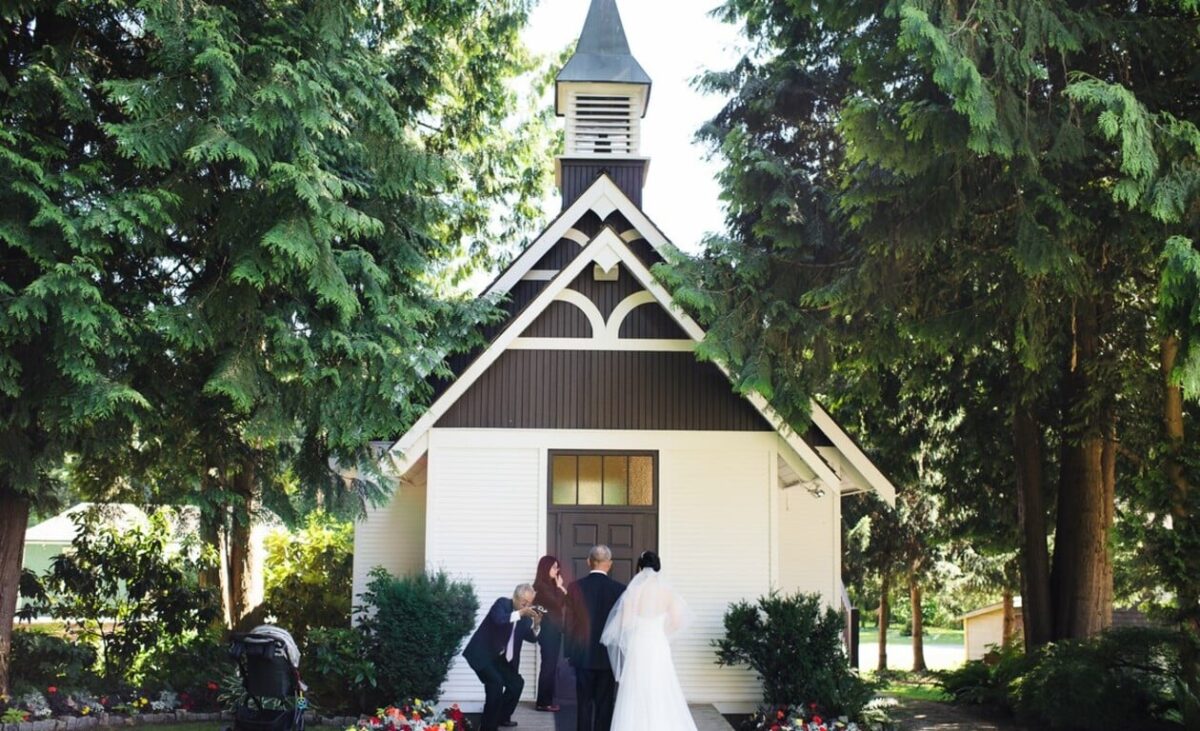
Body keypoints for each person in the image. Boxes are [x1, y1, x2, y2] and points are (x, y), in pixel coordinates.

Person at [601, 551, 697, 731]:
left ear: (640, 566)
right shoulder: (667, 591)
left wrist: (639, 627)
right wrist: (660, 632)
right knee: (661, 684)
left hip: (639, 644)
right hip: (658, 644)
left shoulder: (633, 591)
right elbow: (676, 621)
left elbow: (626, 623)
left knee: (636, 688)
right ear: (658, 567)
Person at [463, 583, 541, 731]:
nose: (527, 606)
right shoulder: (502, 604)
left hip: (499, 659)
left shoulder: (525, 618)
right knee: (495, 684)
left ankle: (502, 717)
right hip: (482, 654)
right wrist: (521, 613)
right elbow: (499, 619)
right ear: (515, 598)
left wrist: (536, 625)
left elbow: (531, 637)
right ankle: (487, 727)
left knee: (517, 683)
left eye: (530, 603)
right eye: (524, 602)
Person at [564, 545, 625, 731]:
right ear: (610, 564)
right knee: (605, 705)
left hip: (582, 655)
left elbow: (569, 623)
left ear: (588, 562)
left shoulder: (574, 587)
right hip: (607, 657)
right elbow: (622, 626)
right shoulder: (619, 589)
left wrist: (568, 652)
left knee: (583, 704)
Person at [533, 555, 568, 712]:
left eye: (557, 567)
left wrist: (559, 588)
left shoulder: (549, 586)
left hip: (553, 630)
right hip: (548, 631)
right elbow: (557, 603)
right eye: (554, 567)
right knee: (548, 665)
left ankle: (545, 700)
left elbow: (562, 602)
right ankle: (543, 702)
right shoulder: (541, 587)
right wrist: (560, 588)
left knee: (550, 665)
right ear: (545, 568)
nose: (557, 570)